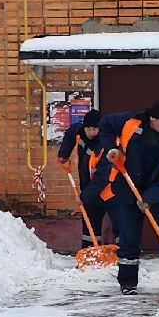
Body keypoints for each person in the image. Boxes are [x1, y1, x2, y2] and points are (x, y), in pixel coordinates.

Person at [97, 99, 159, 293]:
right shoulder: (131, 122)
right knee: (129, 238)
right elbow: (105, 124)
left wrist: (149, 198)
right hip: (128, 188)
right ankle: (128, 284)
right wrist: (111, 147)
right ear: (152, 119)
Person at [55, 104, 108, 250]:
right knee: (90, 222)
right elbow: (70, 134)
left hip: (109, 189)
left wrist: (84, 197)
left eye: (94, 129)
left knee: (119, 223)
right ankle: (89, 252)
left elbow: (103, 177)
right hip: (88, 184)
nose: (91, 132)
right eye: (88, 128)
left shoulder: (104, 143)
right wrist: (64, 154)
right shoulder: (80, 130)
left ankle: (122, 255)